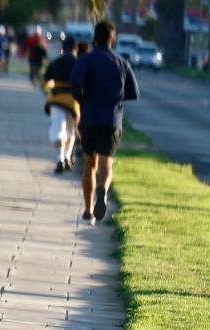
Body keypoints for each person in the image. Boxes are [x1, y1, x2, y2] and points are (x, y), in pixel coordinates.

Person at [70, 20, 139, 225]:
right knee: (106, 163)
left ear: (94, 38)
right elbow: (133, 93)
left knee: (89, 164)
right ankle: (103, 190)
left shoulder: (85, 60)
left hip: (89, 118)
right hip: (111, 120)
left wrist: (82, 99)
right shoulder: (122, 62)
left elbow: (74, 84)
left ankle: (88, 210)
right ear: (113, 39)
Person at [43, 37, 80, 174]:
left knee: (59, 131)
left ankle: (60, 158)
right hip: (73, 101)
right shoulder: (79, 63)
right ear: (75, 49)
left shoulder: (56, 62)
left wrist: (50, 87)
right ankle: (66, 157)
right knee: (71, 131)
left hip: (57, 98)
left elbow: (45, 81)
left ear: (63, 48)